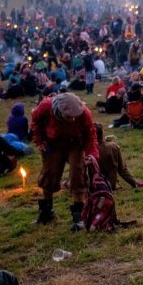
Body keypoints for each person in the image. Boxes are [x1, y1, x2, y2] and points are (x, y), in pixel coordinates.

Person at [31, 92, 99, 230]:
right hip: (52, 144)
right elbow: (35, 122)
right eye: (69, 117)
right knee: (49, 175)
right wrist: (39, 141)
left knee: (77, 173)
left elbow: (90, 135)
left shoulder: (85, 113)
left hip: (75, 143)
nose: (73, 120)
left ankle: (79, 216)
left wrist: (92, 155)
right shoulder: (45, 107)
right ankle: (46, 212)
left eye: (75, 117)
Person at [94, 123, 143, 189]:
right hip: (110, 184)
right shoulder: (112, 147)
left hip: (93, 186)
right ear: (102, 133)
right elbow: (122, 170)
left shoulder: (88, 150)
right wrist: (135, 183)